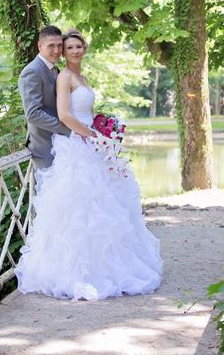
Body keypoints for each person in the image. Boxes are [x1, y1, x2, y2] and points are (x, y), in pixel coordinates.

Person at [15, 29, 163, 301]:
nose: (64, 51)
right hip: (64, 143)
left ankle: (108, 264)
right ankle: (74, 272)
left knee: (103, 207)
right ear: (40, 45)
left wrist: (103, 130)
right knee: (73, 210)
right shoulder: (43, 73)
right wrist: (83, 132)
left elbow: (82, 109)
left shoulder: (66, 72)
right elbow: (45, 113)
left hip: (84, 141)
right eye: (59, 46)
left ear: (83, 48)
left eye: (70, 46)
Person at [18, 25, 71, 171]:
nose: (56, 50)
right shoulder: (32, 71)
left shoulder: (55, 69)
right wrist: (68, 129)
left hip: (61, 144)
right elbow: (33, 114)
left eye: (60, 45)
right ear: (40, 45)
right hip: (45, 147)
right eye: (51, 46)